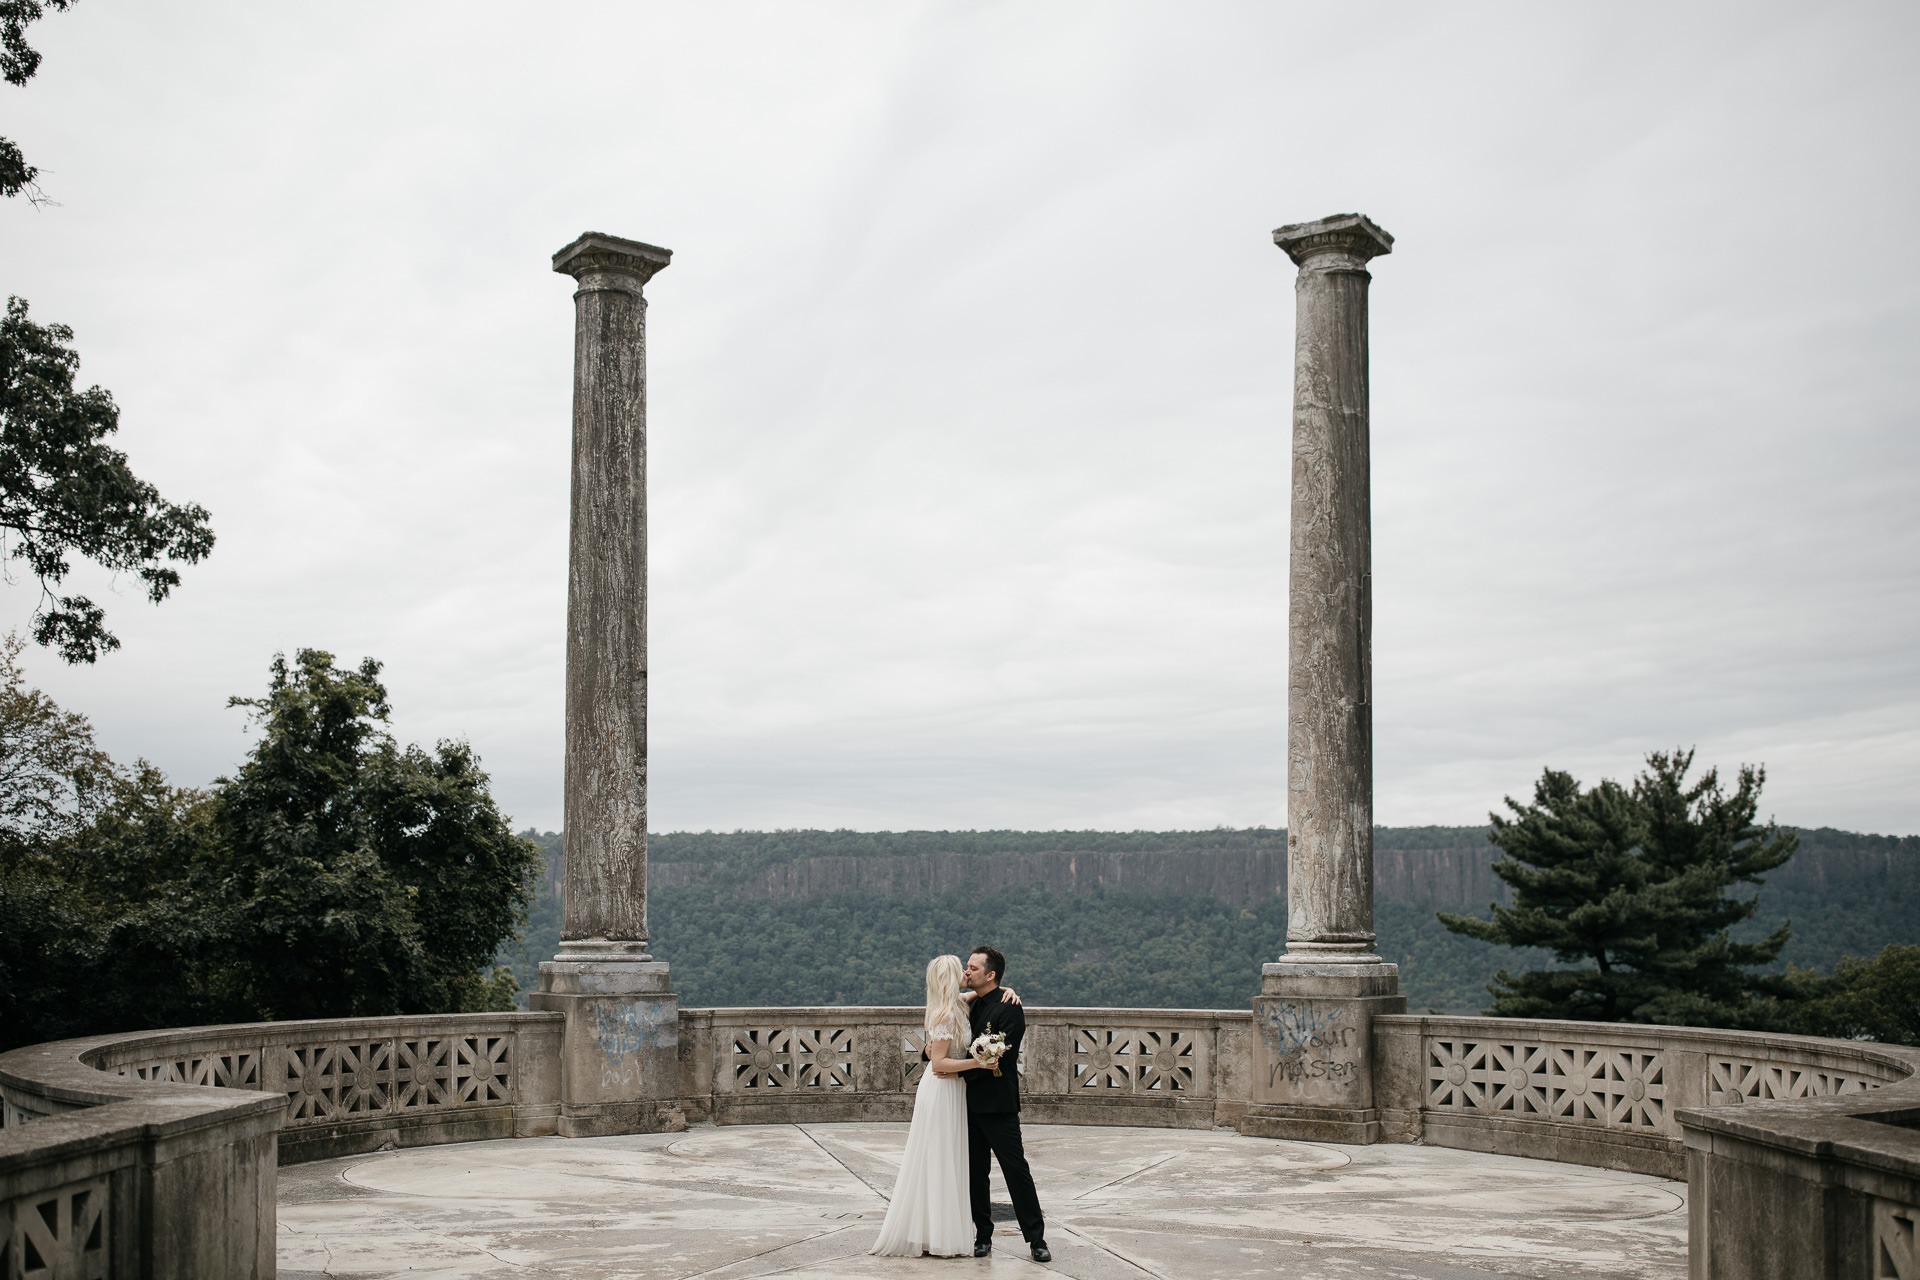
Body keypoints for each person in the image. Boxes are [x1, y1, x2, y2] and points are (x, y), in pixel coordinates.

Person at [937, 945, 1050, 1262]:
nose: (966, 972)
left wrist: (967, 1067)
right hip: (965, 1105)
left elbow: (1004, 1054)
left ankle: (1036, 1239)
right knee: (975, 1175)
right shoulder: (964, 1004)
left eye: (972, 968)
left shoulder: (1009, 1006)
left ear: (991, 975)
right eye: (966, 968)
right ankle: (982, 1236)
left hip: (998, 1106)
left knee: (1016, 1171)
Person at [868, 954, 978, 1256]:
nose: (967, 972)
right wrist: (979, 1063)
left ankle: (938, 1231)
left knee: (946, 1158)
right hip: (942, 1087)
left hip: (952, 1087)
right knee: (938, 1157)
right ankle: (937, 1235)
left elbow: (977, 992)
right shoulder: (944, 1014)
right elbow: (939, 1060)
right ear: (951, 977)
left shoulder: (957, 1003)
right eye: (962, 969)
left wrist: (1008, 991)